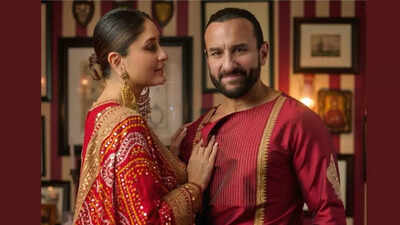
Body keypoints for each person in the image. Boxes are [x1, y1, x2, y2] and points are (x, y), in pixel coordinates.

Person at [179, 8, 346, 225]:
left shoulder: (297, 121)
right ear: (207, 58)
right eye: (216, 53)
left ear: (263, 53)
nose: (228, 65)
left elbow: (329, 214)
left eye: (240, 50)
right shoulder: (193, 131)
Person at [72, 8, 218, 225]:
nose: (163, 54)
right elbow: (149, 220)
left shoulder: (98, 113)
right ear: (117, 61)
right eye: (151, 47)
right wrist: (194, 186)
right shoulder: (126, 123)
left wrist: (166, 158)